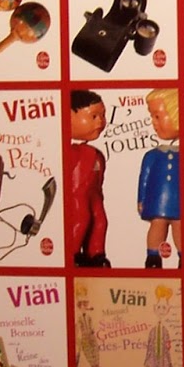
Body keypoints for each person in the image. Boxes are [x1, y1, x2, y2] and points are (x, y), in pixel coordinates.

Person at [138, 87, 181, 269]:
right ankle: (153, 258)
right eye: (152, 117)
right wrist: (141, 200)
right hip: (157, 202)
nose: (153, 123)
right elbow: (144, 179)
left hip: (179, 202)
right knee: (157, 226)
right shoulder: (152, 155)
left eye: (157, 116)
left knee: (180, 228)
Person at [67, 89, 110, 267]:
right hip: (77, 197)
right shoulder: (69, 153)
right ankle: (72, 253)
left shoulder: (96, 154)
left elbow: (99, 180)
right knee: (81, 219)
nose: (100, 121)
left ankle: (96, 253)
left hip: (94, 196)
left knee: (100, 221)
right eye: (93, 116)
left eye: (102, 115)